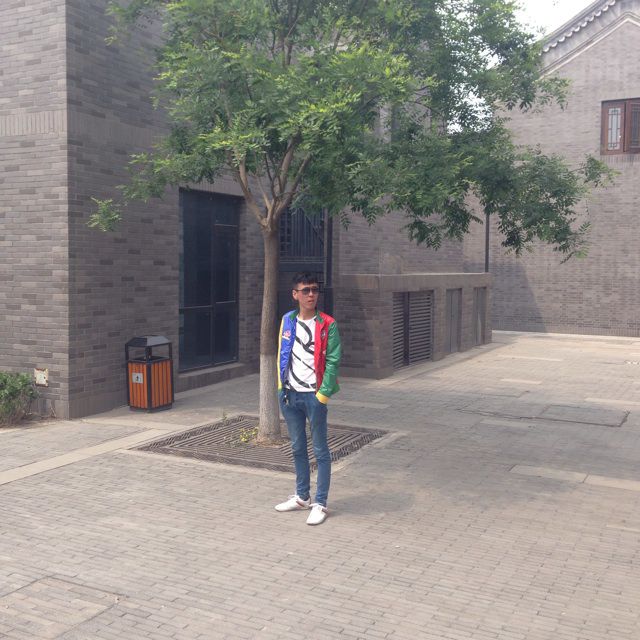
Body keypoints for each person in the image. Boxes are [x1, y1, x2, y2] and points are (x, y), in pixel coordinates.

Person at [274, 272, 342, 525]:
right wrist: (280, 387)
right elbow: (281, 353)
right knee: (297, 447)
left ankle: (320, 503)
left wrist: (323, 395)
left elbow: (333, 360)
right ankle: (302, 496)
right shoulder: (287, 320)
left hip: (314, 396)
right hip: (289, 394)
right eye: (306, 290)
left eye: (314, 290)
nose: (311, 294)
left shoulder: (327, 324)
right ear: (295, 295)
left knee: (320, 450)